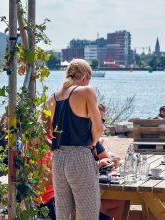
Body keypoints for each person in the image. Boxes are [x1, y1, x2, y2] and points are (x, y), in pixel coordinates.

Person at [43, 59, 103, 219]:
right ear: (86, 76)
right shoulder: (86, 91)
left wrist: (52, 145)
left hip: (58, 158)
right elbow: (98, 128)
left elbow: (41, 131)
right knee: (88, 213)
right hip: (79, 157)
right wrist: (92, 144)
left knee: (64, 215)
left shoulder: (51, 99)